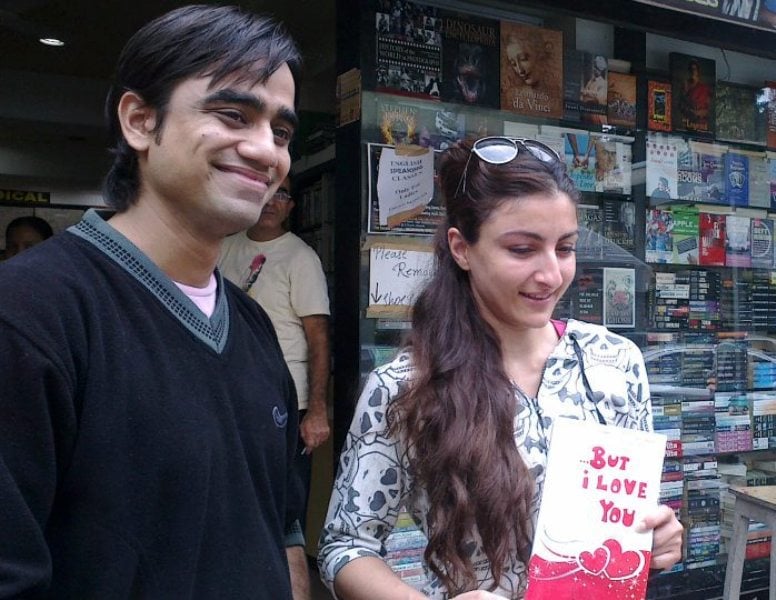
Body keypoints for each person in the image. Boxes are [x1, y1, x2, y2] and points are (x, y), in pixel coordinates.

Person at [0, 5, 311, 598]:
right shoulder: (31, 313)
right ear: (140, 121)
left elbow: (280, 523)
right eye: (232, 115)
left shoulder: (252, 328)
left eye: (282, 131)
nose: (266, 151)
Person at [318, 137, 683, 599]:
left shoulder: (615, 361)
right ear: (462, 248)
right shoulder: (406, 387)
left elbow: (630, 519)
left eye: (565, 248)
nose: (551, 274)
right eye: (521, 249)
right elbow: (345, 547)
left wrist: (658, 538)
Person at [219, 173, 331, 535]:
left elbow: (318, 338)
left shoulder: (301, 257)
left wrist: (316, 411)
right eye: (267, 191)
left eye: (281, 194)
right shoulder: (224, 247)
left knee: (285, 507)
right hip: (231, 392)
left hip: (287, 397)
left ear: (291, 206)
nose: (272, 201)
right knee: (234, 494)